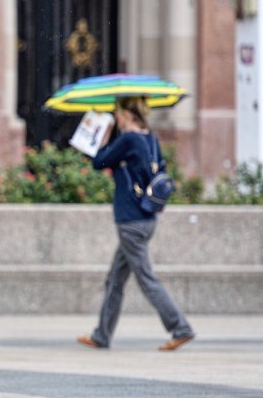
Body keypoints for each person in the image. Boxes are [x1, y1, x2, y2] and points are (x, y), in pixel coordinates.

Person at [77, 96, 195, 351]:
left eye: (117, 114)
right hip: (147, 217)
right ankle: (101, 335)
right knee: (115, 279)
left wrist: (105, 134)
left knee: (145, 277)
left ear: (127, 115)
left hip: (130, 220)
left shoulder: (129, 139)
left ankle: (180, 327)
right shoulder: (150, 138)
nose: (116, 118)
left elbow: (99, 161)